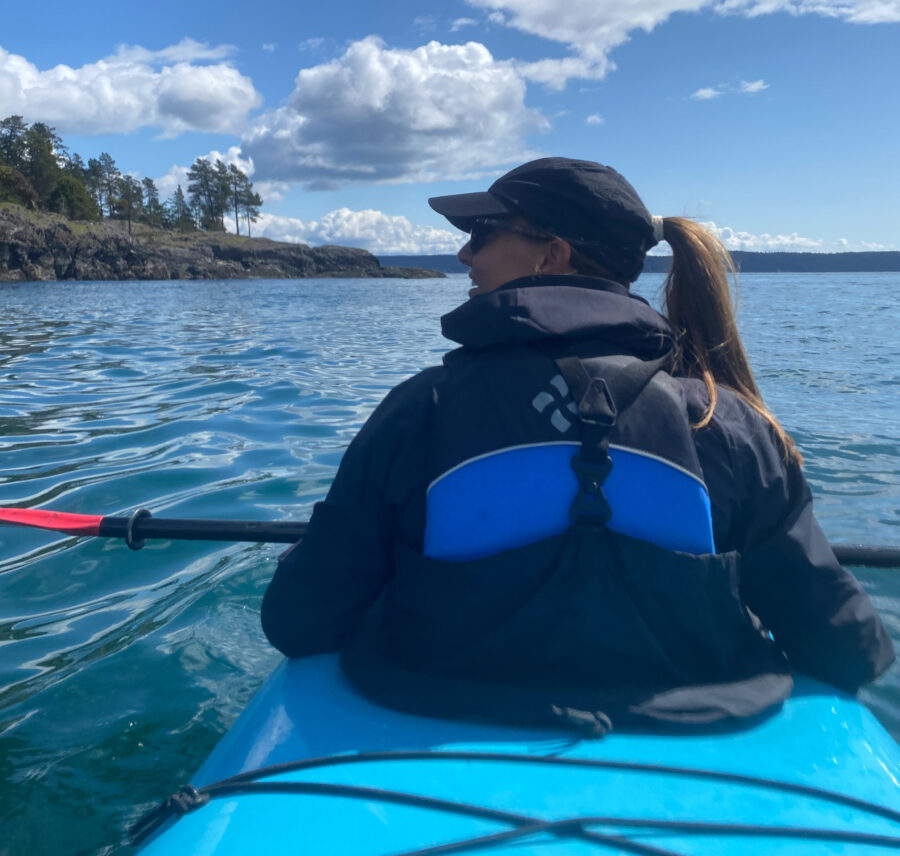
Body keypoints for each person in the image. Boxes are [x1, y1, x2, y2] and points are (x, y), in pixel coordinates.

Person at [262, 157, 893, 732]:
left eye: (482, 233)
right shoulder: (727, 423)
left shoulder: (418, 411)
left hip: (434, 705)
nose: (463, 255)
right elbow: (846, 647)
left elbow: (300, 620)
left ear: (551, 255)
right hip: (700, 721)